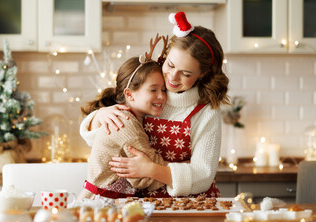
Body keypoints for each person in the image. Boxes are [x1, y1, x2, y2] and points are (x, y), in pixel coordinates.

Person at [80, 12, 229, 198]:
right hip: (142, 203)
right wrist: (100, 116)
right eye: (171, 65)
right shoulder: (148, 89)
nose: (173, 78)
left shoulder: (206, 112)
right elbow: (106, 139)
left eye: (186, 73)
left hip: (190, 204)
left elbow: (203, 176)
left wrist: (152, 170)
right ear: (164, 56)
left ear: (202, 74)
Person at [77, 35, 169, 200]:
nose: (161, 96)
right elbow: (144, 178)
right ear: (130, 95)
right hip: (101, 205)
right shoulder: (125, 123)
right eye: (153, 90)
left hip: (108, 203)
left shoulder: (132, 118)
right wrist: (186, 169)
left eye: (164, 90)